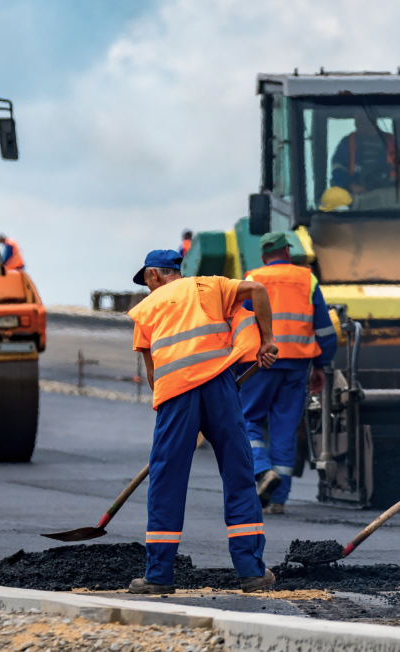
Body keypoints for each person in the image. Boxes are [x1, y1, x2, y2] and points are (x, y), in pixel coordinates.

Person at [126, 249, 280, 594]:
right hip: (220, 387)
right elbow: (257, 290)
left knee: (167, 480)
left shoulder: (146, 309)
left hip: (176, 395)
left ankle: (159, 576)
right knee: (239, 475)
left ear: (154, 276)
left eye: (148, 281)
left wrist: (176, 414)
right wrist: (267, 339)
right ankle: (252, 572)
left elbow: (153, 376)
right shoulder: (210, 286)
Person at [238, 232, 337, 514]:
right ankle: (278, 500)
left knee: (246, 419)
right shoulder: (308, 279)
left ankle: (262, 470)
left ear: (263, 256)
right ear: (287, 253)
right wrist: (321, 365)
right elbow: (325, 330)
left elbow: (241, 323)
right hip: (297, 364)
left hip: (260, 362)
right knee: (285, 428)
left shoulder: (252, 277)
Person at [330, 112, 400, 196]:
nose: (358, 124)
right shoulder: (347, 143)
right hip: (357, 201)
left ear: (373, 120)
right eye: (357, 121)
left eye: (362, 120)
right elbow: (338, 169)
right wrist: (352, 186)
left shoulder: (393, 142)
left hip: (392, 197)